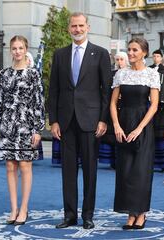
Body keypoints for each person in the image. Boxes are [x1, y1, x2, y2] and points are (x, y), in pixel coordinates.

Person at [49, 12, 111, 229]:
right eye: (74, 26)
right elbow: (53, 90)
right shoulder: (59, 55)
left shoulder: (101, 54)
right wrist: (53, 120)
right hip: (65, 122)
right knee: (68, 171)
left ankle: (88, 215)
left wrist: (103, 120)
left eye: (81, 25)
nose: (77, 29)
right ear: (69, 29)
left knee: (90, 170)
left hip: (91, 121)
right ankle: (69, 215)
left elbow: (106, 92)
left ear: (88, 27)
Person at [0, 35, 45, 225]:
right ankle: (13, 209)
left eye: (20, 48)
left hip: (26, 125)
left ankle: (24, 208)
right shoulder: (4, 73)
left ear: (26, 49)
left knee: (24, 165)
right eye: (14, 48)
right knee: (10, 166)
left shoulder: (33, 74)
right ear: (10, 51)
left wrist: (38, 129)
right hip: (7, 124)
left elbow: (38, 102)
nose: (17, 51)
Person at [111, 38, 160, 230]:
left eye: (135, 50)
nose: (130, 53)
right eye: (129, 50)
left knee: (141, 171)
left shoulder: (151, 74)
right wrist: (116, 125)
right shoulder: (121, 74)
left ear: (144, 53)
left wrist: (140, 128)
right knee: (126, 171)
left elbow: (154, 105)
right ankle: (130, 213)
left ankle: (141, 213)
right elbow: (113, 102)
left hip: (143, 126)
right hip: (123, 125)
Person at [99, 51, 129, 168]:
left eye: (122, 59)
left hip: (125, 106)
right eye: (118, 59)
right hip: (114, 106)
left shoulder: (129, 73)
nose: (120, 62)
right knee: (112, 134)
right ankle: (112, 160)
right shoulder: (111, 74)